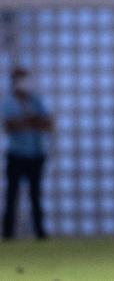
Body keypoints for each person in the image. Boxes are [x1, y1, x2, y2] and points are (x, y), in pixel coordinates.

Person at [2, 67, 54, 240]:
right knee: (12, 195)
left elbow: (48, 123)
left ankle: (40, 233)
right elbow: (10, 126)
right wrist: (31, 121)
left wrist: (27, 122)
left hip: (36, 155)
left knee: (36, 195)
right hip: (16, 155)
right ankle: (8, 234)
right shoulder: (8, 103)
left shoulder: (36, 101)